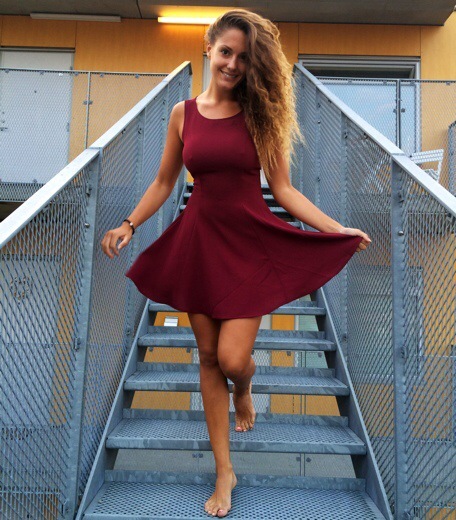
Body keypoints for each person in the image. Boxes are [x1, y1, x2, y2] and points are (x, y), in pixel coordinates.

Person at [101, 8, 372, 518]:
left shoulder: (259, 116)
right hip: (199, 244)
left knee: (230, 360)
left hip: (248, 245)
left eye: (244, 59)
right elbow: (165, 182)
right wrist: (129, 223)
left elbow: (284, 190)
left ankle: (244, 385)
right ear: (208, 49)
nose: (232, 64)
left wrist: (335, 229)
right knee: (207, 358)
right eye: (226, 52)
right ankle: (224, 470)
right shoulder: (182, 114)